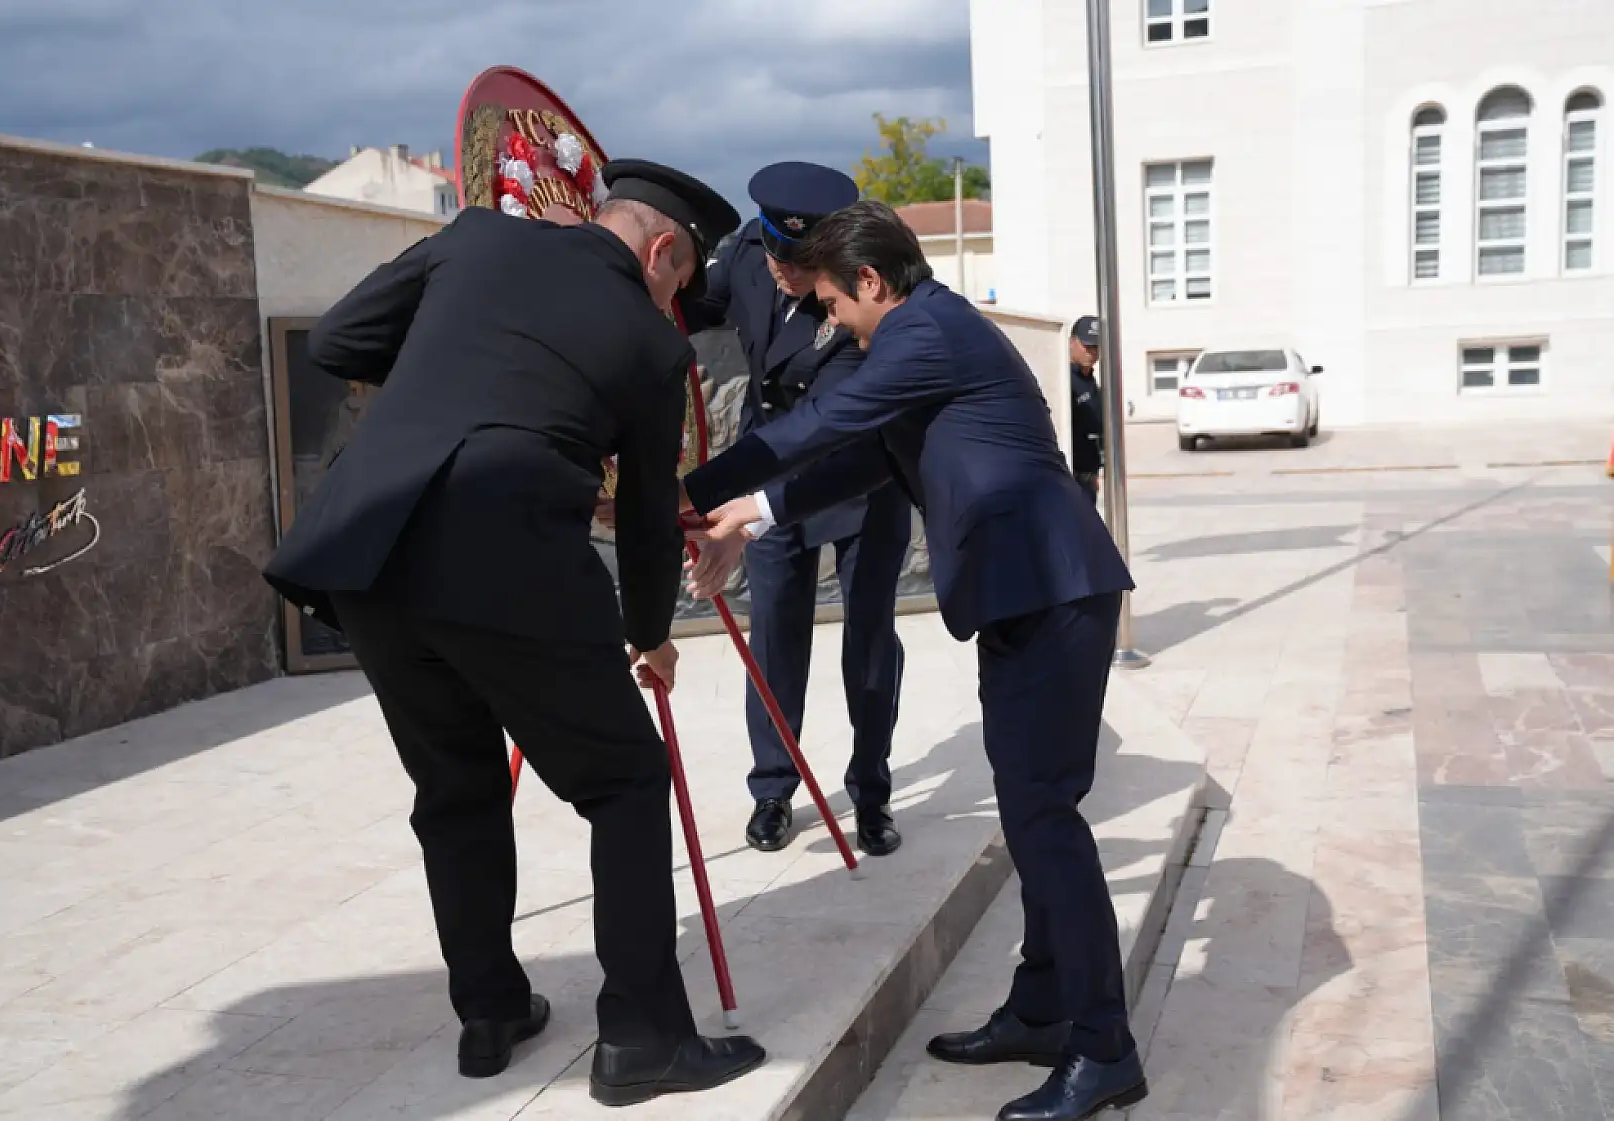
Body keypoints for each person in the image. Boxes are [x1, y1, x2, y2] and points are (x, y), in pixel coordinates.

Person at [262, 159, 767, 1108]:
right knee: (625, 779)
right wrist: (649, 634)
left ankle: (490, 1013)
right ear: (663, 249)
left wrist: (453, 382)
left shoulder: (477, 237)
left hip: (370, 553)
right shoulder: (653, 346)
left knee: (455, 786)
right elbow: (648, 518)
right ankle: (644, 1038)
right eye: (681, 280)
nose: (675, 300)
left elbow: (337, 340)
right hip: (505, 553)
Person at [681, 201, 1147, 1121]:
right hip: (1024, 595)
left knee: (1046, 818)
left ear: (870, 280)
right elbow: (866, 460)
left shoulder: (922, 331)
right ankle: (1044, 1007)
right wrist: (753, 514)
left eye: (829, 303)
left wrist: (684, 494)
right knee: (1029, 813)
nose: (826, 322)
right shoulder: (921, 336)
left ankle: (1105, 1046)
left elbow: (821, 424)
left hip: (1052, 590)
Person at [678, 161, 912, 858]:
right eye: (778, 255)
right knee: (775, 638)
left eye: (803, 262)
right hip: (767, 466)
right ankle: (774, 788)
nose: (785, 271)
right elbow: (698, 307)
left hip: (856, 478)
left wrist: (746, 512)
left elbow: (827, 426)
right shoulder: (752, 254)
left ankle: (871, 792)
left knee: (869, 644)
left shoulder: (862, 297)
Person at [1069, 315, 1104, 506]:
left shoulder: (1090, 380)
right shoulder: (1065, 381)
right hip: (1070, 476)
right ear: (1072, 342)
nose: (1092, 353)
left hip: (1089, 477)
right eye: (1087, 346)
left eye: (1096, 347)